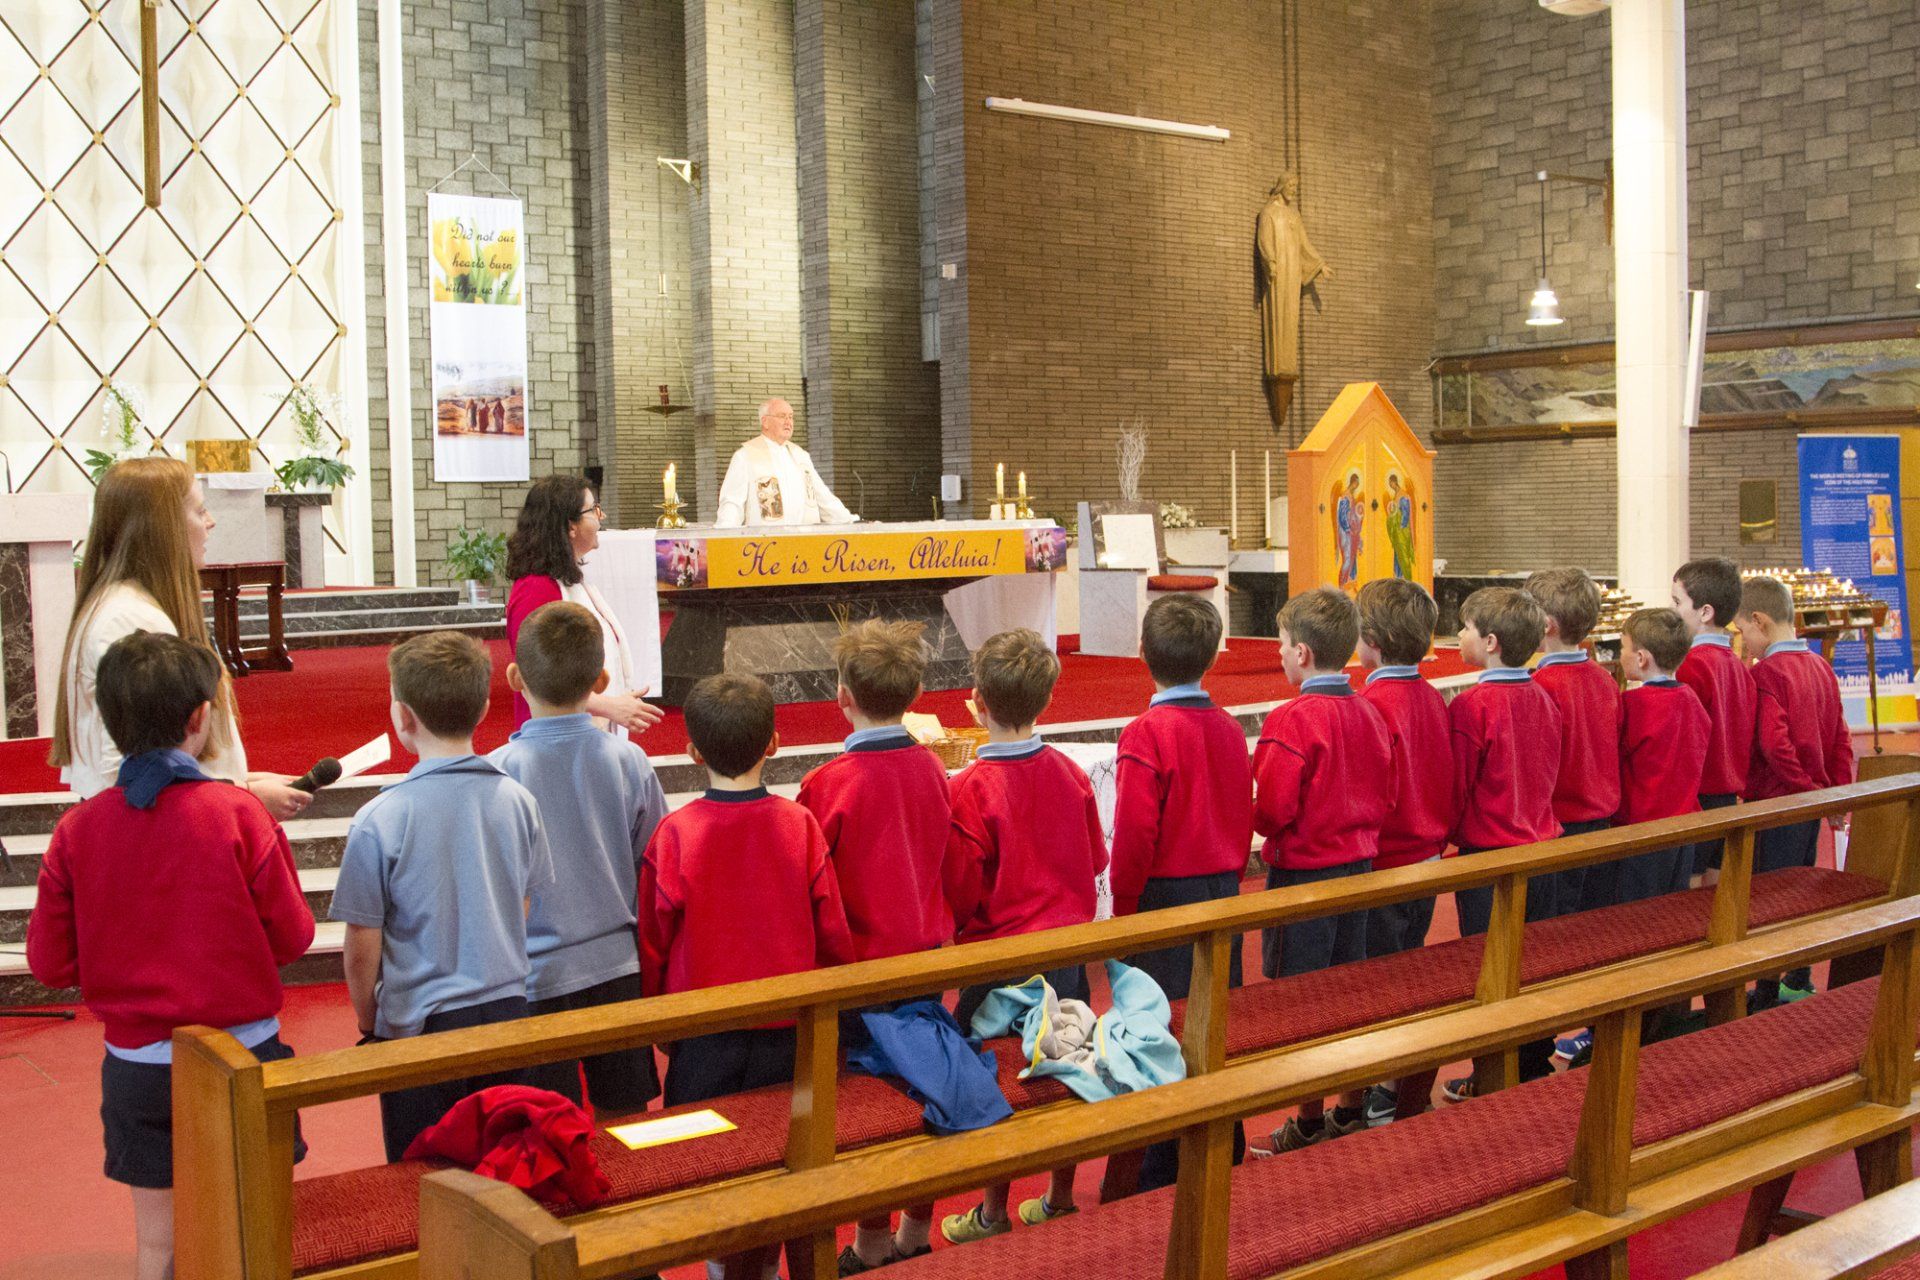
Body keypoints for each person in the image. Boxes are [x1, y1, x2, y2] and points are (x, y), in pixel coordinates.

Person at [27, 631, 314, 1280]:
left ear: (108, 719)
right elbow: (294, 939)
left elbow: (48, 964)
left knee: (159, 1246)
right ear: (200, 718)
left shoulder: (78, 830)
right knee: (256, 1230)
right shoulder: (239, 815)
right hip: (244, 1055)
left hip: (139, 1066)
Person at [638, 673, 854, 1280]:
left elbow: (654, 939)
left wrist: (660, 1016)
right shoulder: (798, 826)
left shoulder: (678, 833)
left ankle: (723, 1267)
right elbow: (832, 932)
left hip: (706, 1032)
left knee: (711, 1163)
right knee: (790, 1156)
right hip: (792, 1028)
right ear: (775, 744)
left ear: (693, 752)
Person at [330, 631, 573, 1162]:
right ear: (485, 707)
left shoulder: (380, 817)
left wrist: (368, 1023)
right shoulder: (517, 799)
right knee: (506, 1165)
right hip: (508, 1010)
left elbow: (362, 943)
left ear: (402, 716)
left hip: (421, 1025)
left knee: (424, 1175)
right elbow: (523, 904)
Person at [940, 629, 1108, 1245]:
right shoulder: (1070, 774)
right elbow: (1095, 859)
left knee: (994, 1082)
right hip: (1063, 955)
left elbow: (960, 891)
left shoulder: (968, 789)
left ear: (976, 702)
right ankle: (1060, 1195)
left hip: (996, 960)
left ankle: (991, 1209)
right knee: (1064, 1064)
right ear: (1048, 699)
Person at [795, 620, 952, 1275]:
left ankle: (871, 1240)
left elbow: (811, 888)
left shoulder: (828, 784)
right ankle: (918, 1226)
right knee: (921, 1095)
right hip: (922, 958)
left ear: (841, 695)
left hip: (857, 969)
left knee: (862, 1110)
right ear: (916, 691)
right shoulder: (935, 770)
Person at [47, 457, 312, 819]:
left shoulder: (132, 605)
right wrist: (243, 796)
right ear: (162, 528)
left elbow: (161, 758)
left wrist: (238, 781)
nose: (211, 522)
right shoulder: (129, 619)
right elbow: (129, 772)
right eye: (200, 510)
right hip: (155, 831)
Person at [490, 602, 669, 1113]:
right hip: (617, 966)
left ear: (513, 678)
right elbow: (651, 866)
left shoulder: (497, 773)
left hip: (534, 976)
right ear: (601, 681)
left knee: (547, 1128)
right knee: (628, 1119)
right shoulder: (627, 759)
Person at [1108, 594, 1254, 1190]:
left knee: (1156, 1027)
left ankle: (1162, 1161)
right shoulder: (1225, 724)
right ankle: (1227, 1140)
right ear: (1213, 657)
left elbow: (1136, 833)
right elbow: (1242, 813)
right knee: (1214, 1019)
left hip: (1165, 895)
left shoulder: (1147, 732)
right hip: (1221, 887)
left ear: (1141, 653)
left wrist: (1123, 907)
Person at [1252, 587, 1393, 1151]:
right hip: (1360, 869)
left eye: (1284, 645)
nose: (1281, 655)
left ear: (1304, 653)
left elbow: (1274, 809)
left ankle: (1309, 1120)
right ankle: (1350, 1109)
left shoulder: (1292, 718)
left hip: (1306, 879)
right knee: (1351, 992)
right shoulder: (1371, 711)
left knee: (1302, 1002)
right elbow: (1389, 790)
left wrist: (1260, 821)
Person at [1443, 587, 1561, 1100]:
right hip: (1542, 843)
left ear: (1489, 642)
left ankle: (1491, 1072)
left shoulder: (1473, 705)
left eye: (1465, 629)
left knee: (1489, 969)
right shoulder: (1544, 695)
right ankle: (1534, 1059)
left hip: (1490, 854)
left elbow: (1460, 783)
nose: (1459, 637)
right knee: (1532, 962)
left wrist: (1448, 832)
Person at [1354, 578, 1455, 1126]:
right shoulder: (1432, 696)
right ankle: (1396, 1084)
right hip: (1428, 852)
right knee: (1407, 966)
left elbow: (1375, 789)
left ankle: (1386, 1088)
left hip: (1388, 856)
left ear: (1369, 638)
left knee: (1380, 978)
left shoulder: (1373, 702)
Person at [1736, 574, 1854, 1005]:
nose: (1743, 641)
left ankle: (1766, 991)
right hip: (1812, 801)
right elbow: (1840, 737)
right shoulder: (1822, 665)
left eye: (1742, 631)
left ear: (1759, 621)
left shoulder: (1768, 672)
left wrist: (1805, 790)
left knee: (1769, 897)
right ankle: (1800, 977)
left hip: (1778, 803)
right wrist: (1837, 794)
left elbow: (1774, 743)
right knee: (1804, 890)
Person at [503, 474, 665, 737]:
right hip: (554, 739)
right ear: (570, 526)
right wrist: (609, 705)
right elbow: (538, 676)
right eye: (593, 510)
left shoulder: (568, 579)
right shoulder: (536, 589)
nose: (601, 516)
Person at [1525, 568, 1621, 918]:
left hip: (1561, 822)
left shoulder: (1542, 685)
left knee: (1555, 928)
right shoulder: (1605, 679)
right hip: (1602, 819)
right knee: (1591, 925)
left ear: (1546, 624)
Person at [1613, 608, 1711, 901]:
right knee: (1673, 905)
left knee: (1637, 913)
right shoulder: (1690, 698)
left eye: (1622, 647)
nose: (1620, 654)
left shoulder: (1633, 703)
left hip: (1642, 829)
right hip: (1682, 825)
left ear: (1641, 658)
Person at [1672, 558, 1757, 881]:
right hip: (1729, 792)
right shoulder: (1737, 666)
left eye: (1678, 602)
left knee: (1690, 885)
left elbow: (1685, 738)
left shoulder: (1692, 665)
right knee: (1715, 882)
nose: (1673, 611)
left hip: (1698, 792)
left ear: (1705, 612)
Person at [715, 398, 858, 527]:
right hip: (764, 545)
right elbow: (732, 502)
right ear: (765, 422)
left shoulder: (800, 456)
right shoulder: (746, 456)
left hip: (802, 541)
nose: (788, 422)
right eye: (782, 416)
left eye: (791, 417)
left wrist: (849, 520)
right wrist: (725, 532)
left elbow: (823, 496)